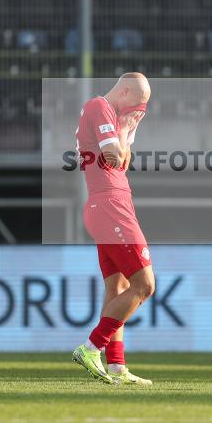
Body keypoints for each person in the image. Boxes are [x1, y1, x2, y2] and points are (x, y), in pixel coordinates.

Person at [72, 72, 155, 385]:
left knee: (117, 288)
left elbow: (123, 160)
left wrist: (127, 130)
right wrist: (122, 130)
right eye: (137, 104)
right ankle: (92, 346)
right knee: (144, 285)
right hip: (110, 206)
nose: (137, 111)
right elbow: (115, 156)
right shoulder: (99, 106)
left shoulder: (106, 112)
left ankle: (117, 366)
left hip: (108, 205)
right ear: (125, 91)